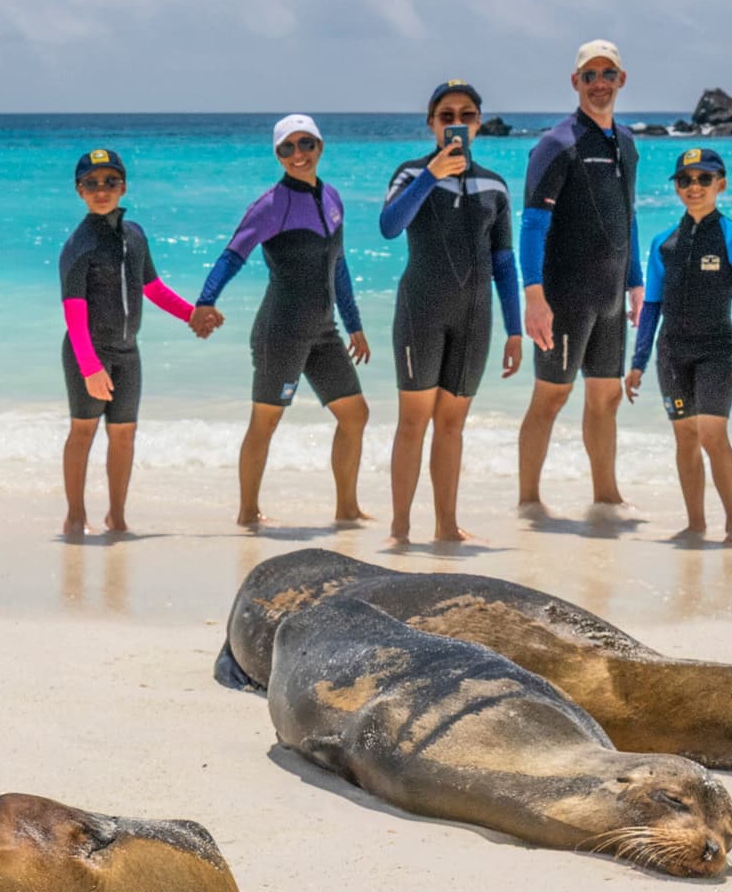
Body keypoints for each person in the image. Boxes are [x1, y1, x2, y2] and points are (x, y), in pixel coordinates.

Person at [196, 114, 371, 529]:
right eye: (287, 148)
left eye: (306, 144)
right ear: (278, 155)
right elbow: (231, 255)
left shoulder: (332, 198)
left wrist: (355, 325)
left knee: (355, 414)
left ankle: (347, 509)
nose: (298, 154)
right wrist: (205, 301)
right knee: (266, 420)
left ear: (320, 147)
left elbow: (338, 268)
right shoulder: (270, 206)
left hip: (324, 332)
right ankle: (247, 513)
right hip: (282, 329)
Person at [374, 77, 521, 544]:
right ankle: (400, 528)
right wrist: (430, 176)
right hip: (421, 312)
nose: (457, 124)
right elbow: (389, 227)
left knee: (453, 425)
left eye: (466, 116)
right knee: (414, 421)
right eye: (447, 116)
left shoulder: (494, 186)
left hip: (475, 319)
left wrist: (515, 329)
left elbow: (504, 261)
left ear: (478, 123)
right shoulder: (409, 174)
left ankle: (445, 525)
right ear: (431, 124)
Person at [55, 145, 215, 538]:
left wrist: (191, 314)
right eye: (91, 184)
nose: (101, 189)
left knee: (124, 432)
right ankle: (75, 515)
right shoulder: (79, 247)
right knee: (83, 430)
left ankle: (117, 516)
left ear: (124, 187)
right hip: (87, 352)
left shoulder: (135, 235)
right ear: (79, 191)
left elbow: (153, 287)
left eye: (110, 181)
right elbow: (73, 313)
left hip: (128, 351)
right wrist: (90, 367)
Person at [518, 38, 642, 513]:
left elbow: (626, 216)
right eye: (588, 76)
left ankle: (605, 495)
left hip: (610, 298)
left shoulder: (626, 143)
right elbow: (532, 224)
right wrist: (534, 295)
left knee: (606, 398)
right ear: (575, 82)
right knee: (551, 398)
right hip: (565, 295)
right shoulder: (557, 145)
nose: (598, 84)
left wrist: (634, 282)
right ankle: (529, 500)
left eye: (607, 74)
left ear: (620, 80)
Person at [625, 146, 732, 544]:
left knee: (711, 433)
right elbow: (651, 306)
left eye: (704, 179)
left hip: (715, 350)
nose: (694, 186)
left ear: (720, 184)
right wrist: (637, 362)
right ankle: (695, 524)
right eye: (685, 180)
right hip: (672, 353)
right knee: (685, 436)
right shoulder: (664, 243)